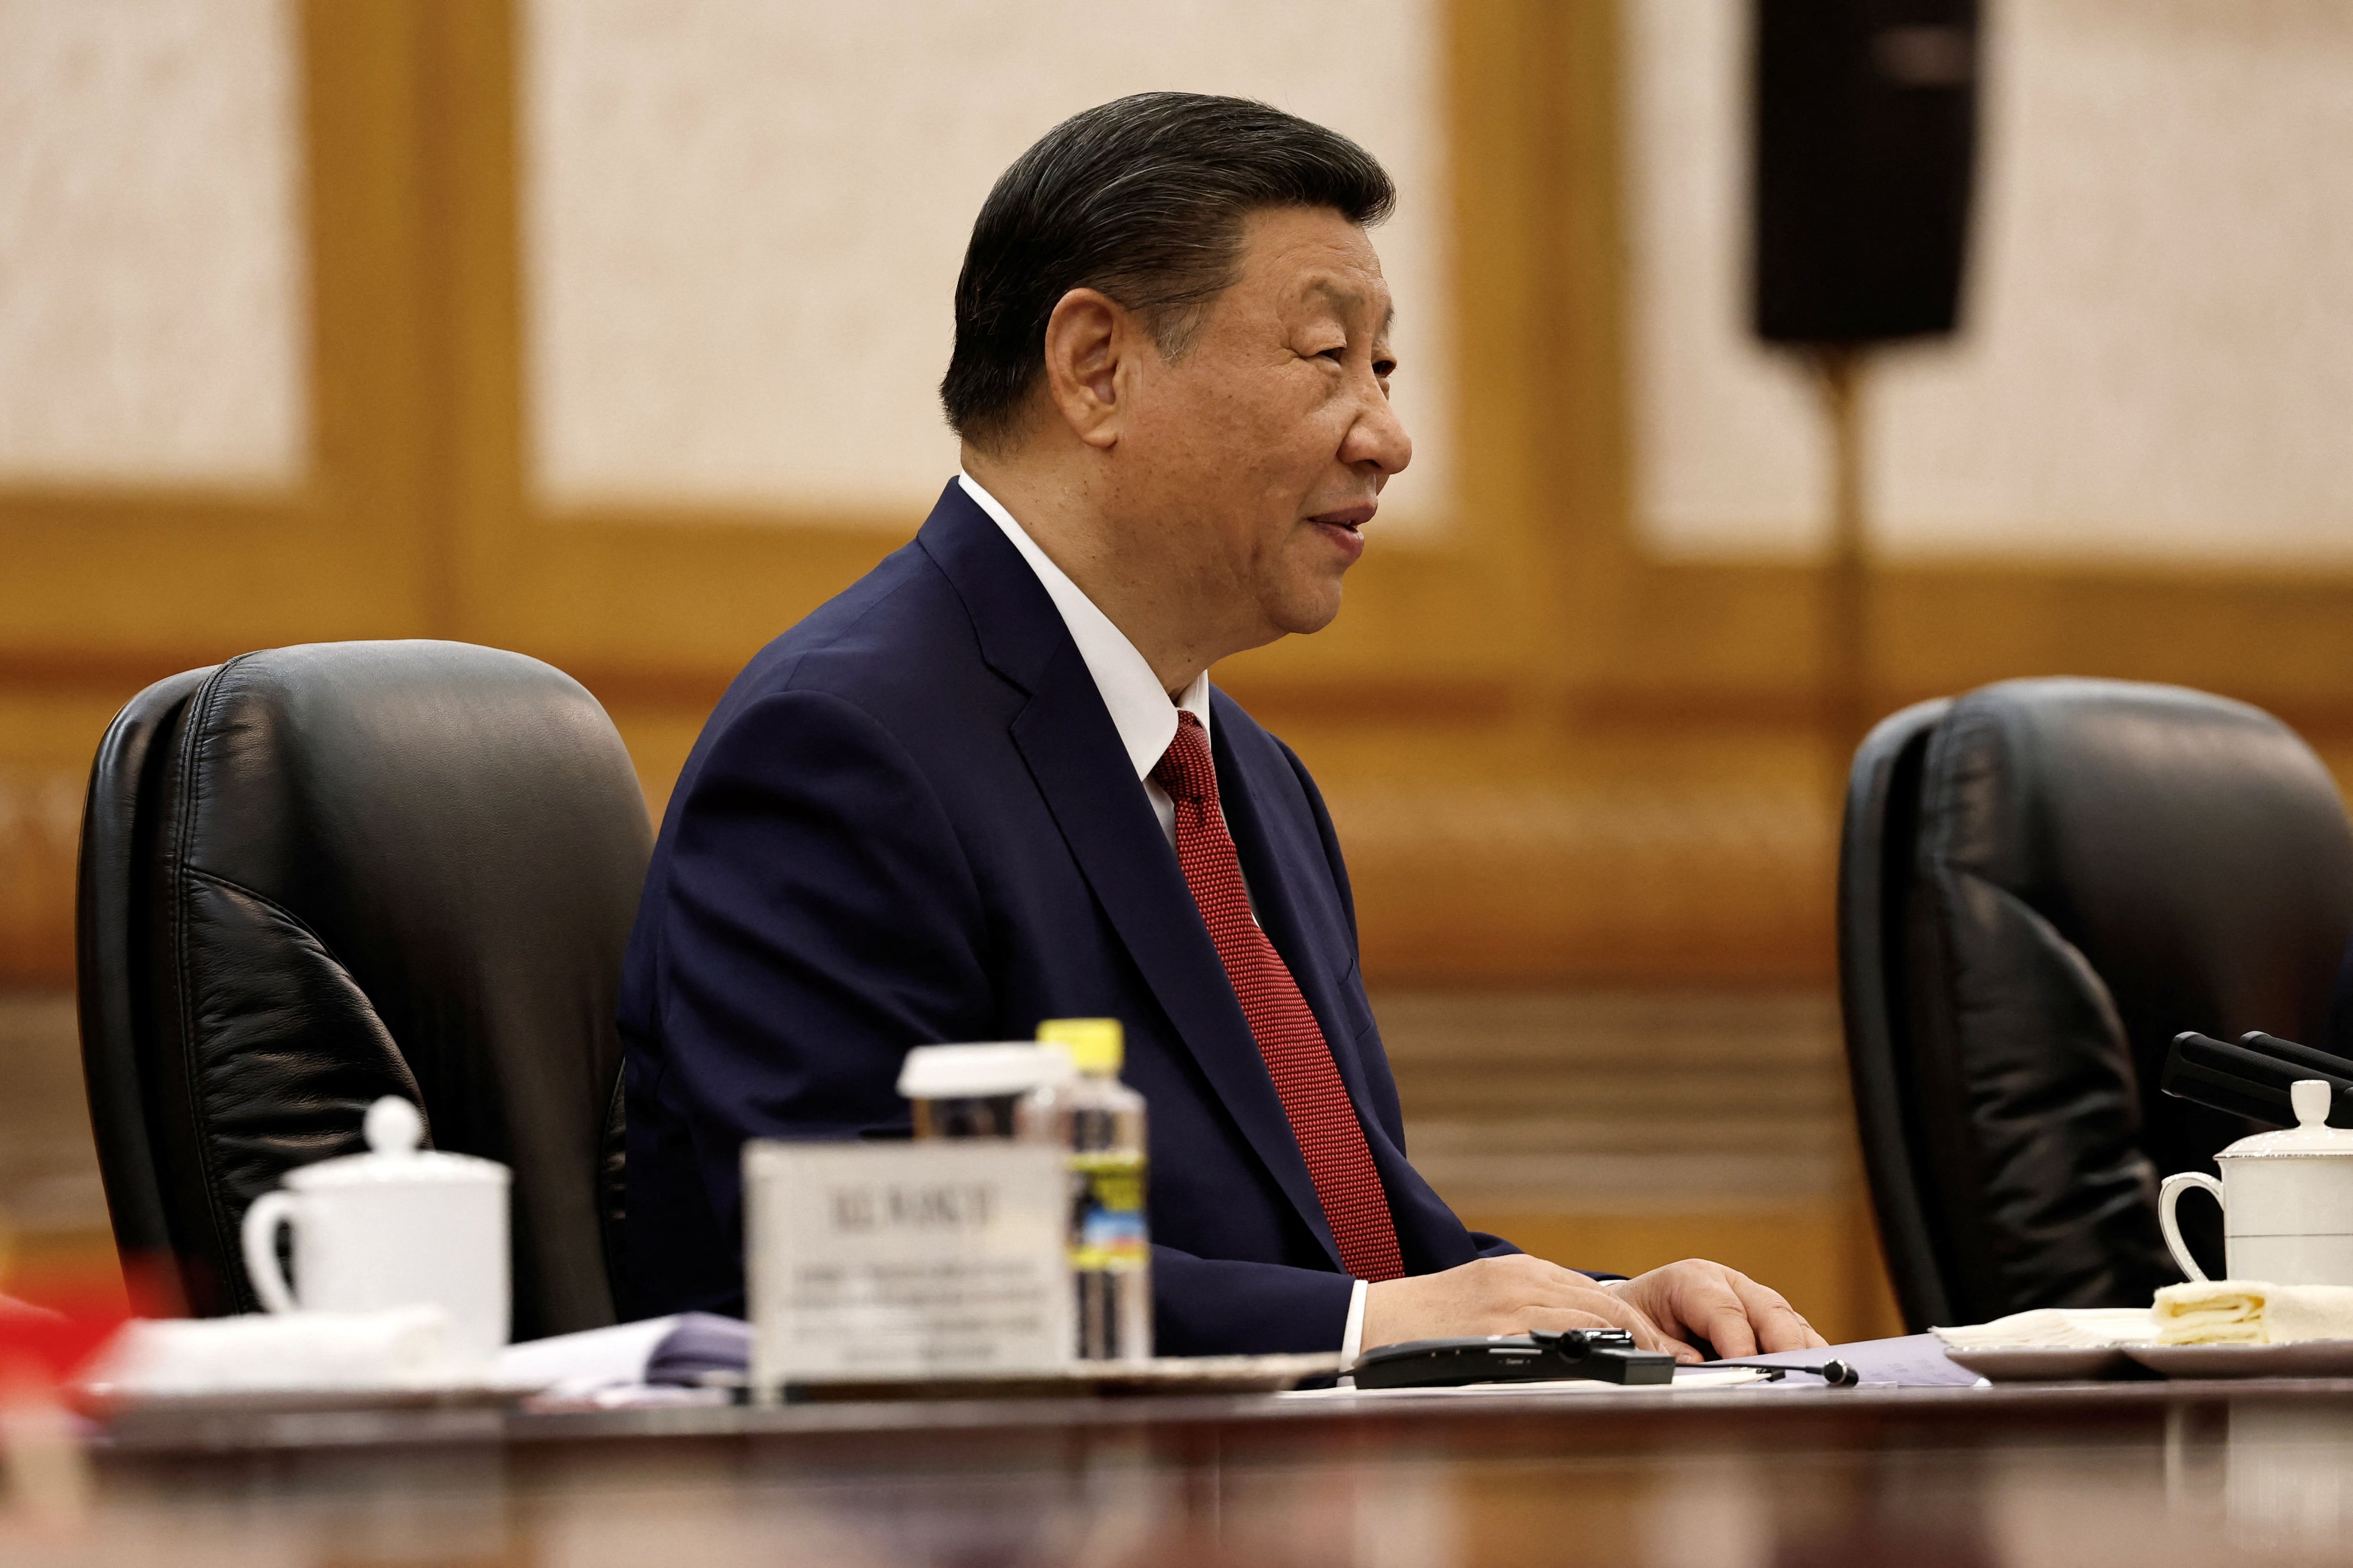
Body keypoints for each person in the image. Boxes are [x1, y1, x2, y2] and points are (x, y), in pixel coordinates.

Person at [619, 92, 1827, 1364]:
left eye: (1388, 367)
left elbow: (1354, 1253)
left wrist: (1609, 1308)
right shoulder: (841, 749)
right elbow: (871, 1275)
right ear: (1097, 368)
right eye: (1328, 358)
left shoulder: (1249, 776)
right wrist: (1379, 1321)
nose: (1392, 437)